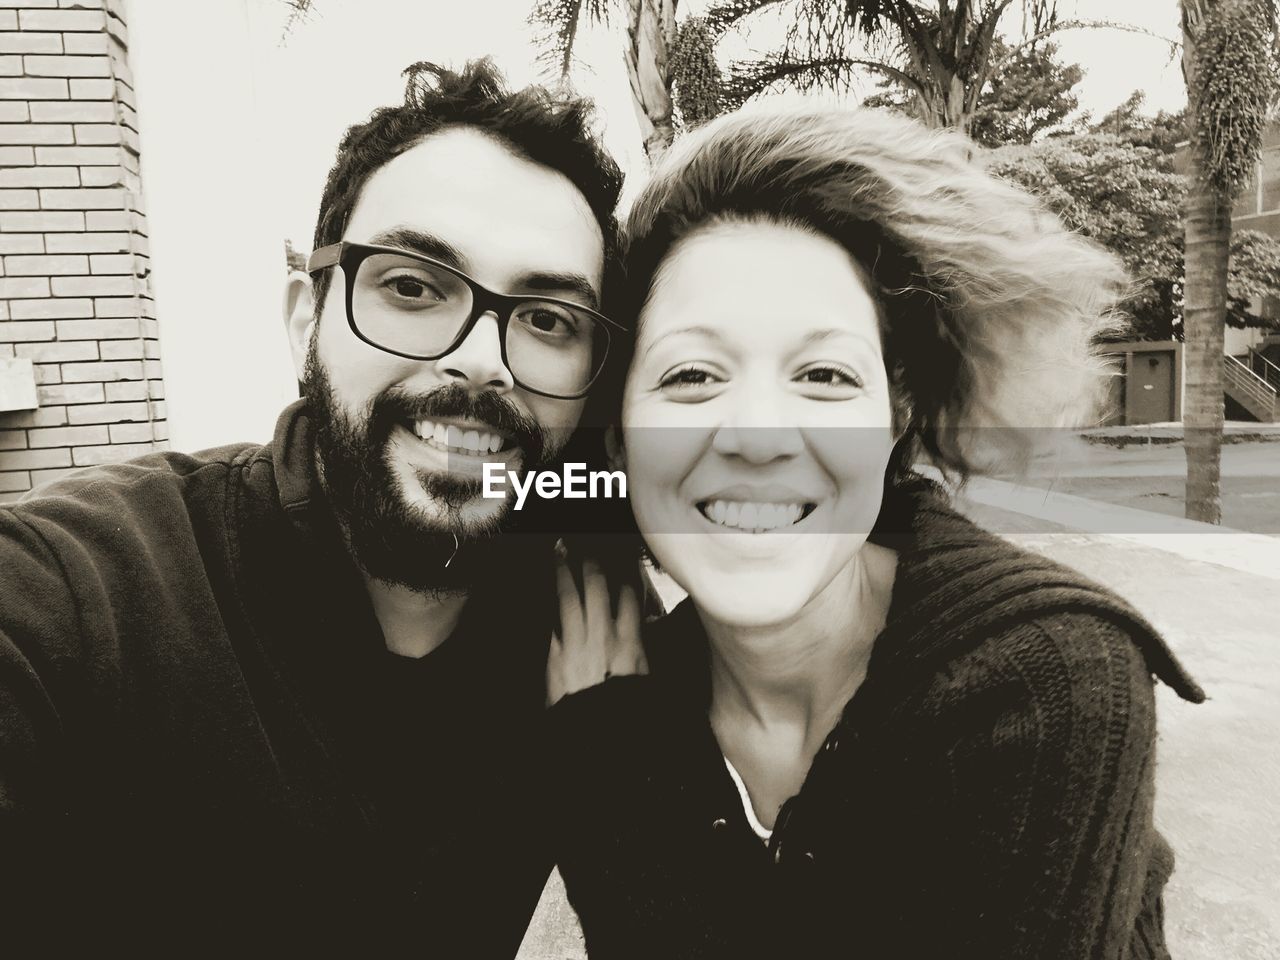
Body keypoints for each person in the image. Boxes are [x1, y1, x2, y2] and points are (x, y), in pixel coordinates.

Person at [545, 105, 1205, 959]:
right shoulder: (630, 697)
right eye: (690, 375)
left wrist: (617, 797)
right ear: (619, 431)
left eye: (823, 375)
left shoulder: (1046, 678)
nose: (757, 434)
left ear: (894, 415)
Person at [0, 59, 623, 954]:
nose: (483, 361)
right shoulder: (81, 598)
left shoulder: (577, 598)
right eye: (412, 286)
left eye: (549, 320)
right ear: (305, 324)